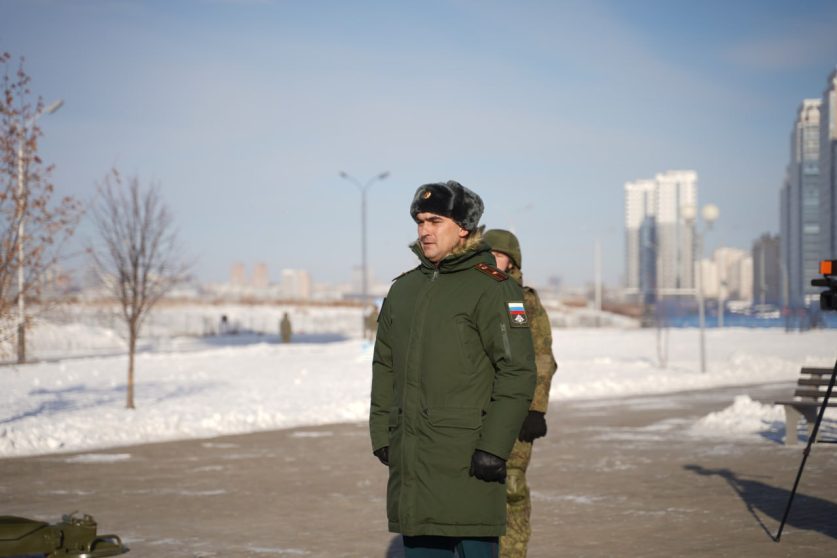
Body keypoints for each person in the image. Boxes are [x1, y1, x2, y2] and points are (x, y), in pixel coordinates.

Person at [369, 181, 537, 558]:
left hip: (469, 461)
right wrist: (382, 432)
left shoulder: (493, 288)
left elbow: (517, 372)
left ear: (463, 227)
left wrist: (493, 448)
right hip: (414, 464)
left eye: (435, 221)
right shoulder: (403, 290)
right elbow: (384, 365)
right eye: (420, 221)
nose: (424, 230)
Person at [483, 229, 558, 558]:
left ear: (511, 262)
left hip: (514, 410)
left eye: (498, 255)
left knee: (511, 486)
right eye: (486, 254)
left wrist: (536, 408)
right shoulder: (467, 295)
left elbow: (541, 355)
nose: (491, 260)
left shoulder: (521, 302)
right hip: (473, 410)